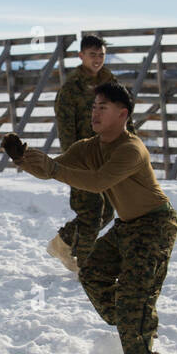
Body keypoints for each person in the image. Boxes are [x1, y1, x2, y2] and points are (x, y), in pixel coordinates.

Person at [3, 82, 177, 354]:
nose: (94, 112)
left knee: (134, 295)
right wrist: (23, 157)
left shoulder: (131, 148)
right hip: (126, 226)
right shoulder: (88, 147)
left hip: (154, 225)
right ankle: (133, 320)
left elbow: (98, 182)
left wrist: (55, 170)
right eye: (94, 106)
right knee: (93, 273)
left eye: (103, 108)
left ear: (122, 114)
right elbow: (52, 169)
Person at [48, 34, 118, 273]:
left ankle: (63, 242)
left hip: (109, 157)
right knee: (91, 209)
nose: (97, 59)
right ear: (81, 56)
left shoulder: (111, 83)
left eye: (101, 55)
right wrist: (75, 161)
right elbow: (66, 128)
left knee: (108, 209)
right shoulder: (71, 89)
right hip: (83, 160)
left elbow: (124, 116)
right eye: (92, 55)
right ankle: (86, 267)